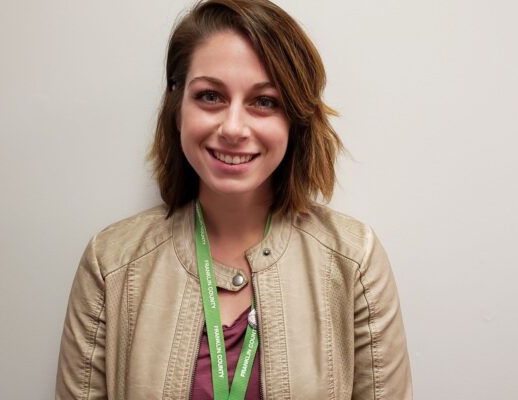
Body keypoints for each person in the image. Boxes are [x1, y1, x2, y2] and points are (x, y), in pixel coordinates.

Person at [55, 0, 412, 399]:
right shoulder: (111, 263)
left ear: (294, 119)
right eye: (211, 96)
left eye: (265, 101)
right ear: (178, 110)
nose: (233, 127)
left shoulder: (354, 259)